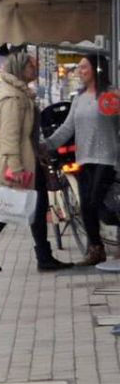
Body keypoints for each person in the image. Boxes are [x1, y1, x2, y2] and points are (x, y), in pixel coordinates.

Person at [0, 51, 64, 273]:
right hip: (20, 161)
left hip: (29, 157)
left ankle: (43, 256)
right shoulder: (13, 97)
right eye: (32, 66)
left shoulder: (20, 93)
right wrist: (16, 167)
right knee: (13, 207)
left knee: (34, 207)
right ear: (21, 69)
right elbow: (10, 135)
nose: (35, 70)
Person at [44, 56, 117, 267]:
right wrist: (46, 145)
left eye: (84, 66)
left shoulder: (111, 95)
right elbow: (67, 128)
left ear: (97, 69)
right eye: (79, 67)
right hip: (85, 158)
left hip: (107, 157)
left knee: (96, 202)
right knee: (86, 205)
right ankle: (96, 250)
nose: (79, 70)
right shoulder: (79, 98)